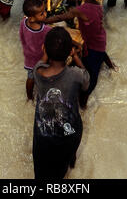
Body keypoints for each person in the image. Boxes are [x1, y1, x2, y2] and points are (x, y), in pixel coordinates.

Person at [45, 0, 117, 107]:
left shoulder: (80, 10)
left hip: (93, 45)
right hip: (100, 38)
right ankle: (111, 67)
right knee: (101, 54)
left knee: (91, 77)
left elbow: (61, 17)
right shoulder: (97, 6)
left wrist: (45, 20)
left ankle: (83, 103)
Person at [32, 27, 90, 179]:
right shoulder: (75, 75)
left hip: (43, 134)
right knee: (62, 166)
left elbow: (40, 63)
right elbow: (86, 80)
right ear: (69, 51)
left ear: (44, 49)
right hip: (69, 133)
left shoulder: (37, 72)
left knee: (41, 167)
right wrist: (76, 56)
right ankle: (70, 163)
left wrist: (45, 53)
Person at [19, 0, 52, 100]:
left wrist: (25, 47)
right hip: (40, 58)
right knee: (45, 76)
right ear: (32, 18)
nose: (45, 14)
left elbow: (21, 36)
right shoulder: (45, 30)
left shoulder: (23, 22)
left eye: (44, 11)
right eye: (42, 13)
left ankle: (29, 97)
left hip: (28, 57)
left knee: (30, 77)